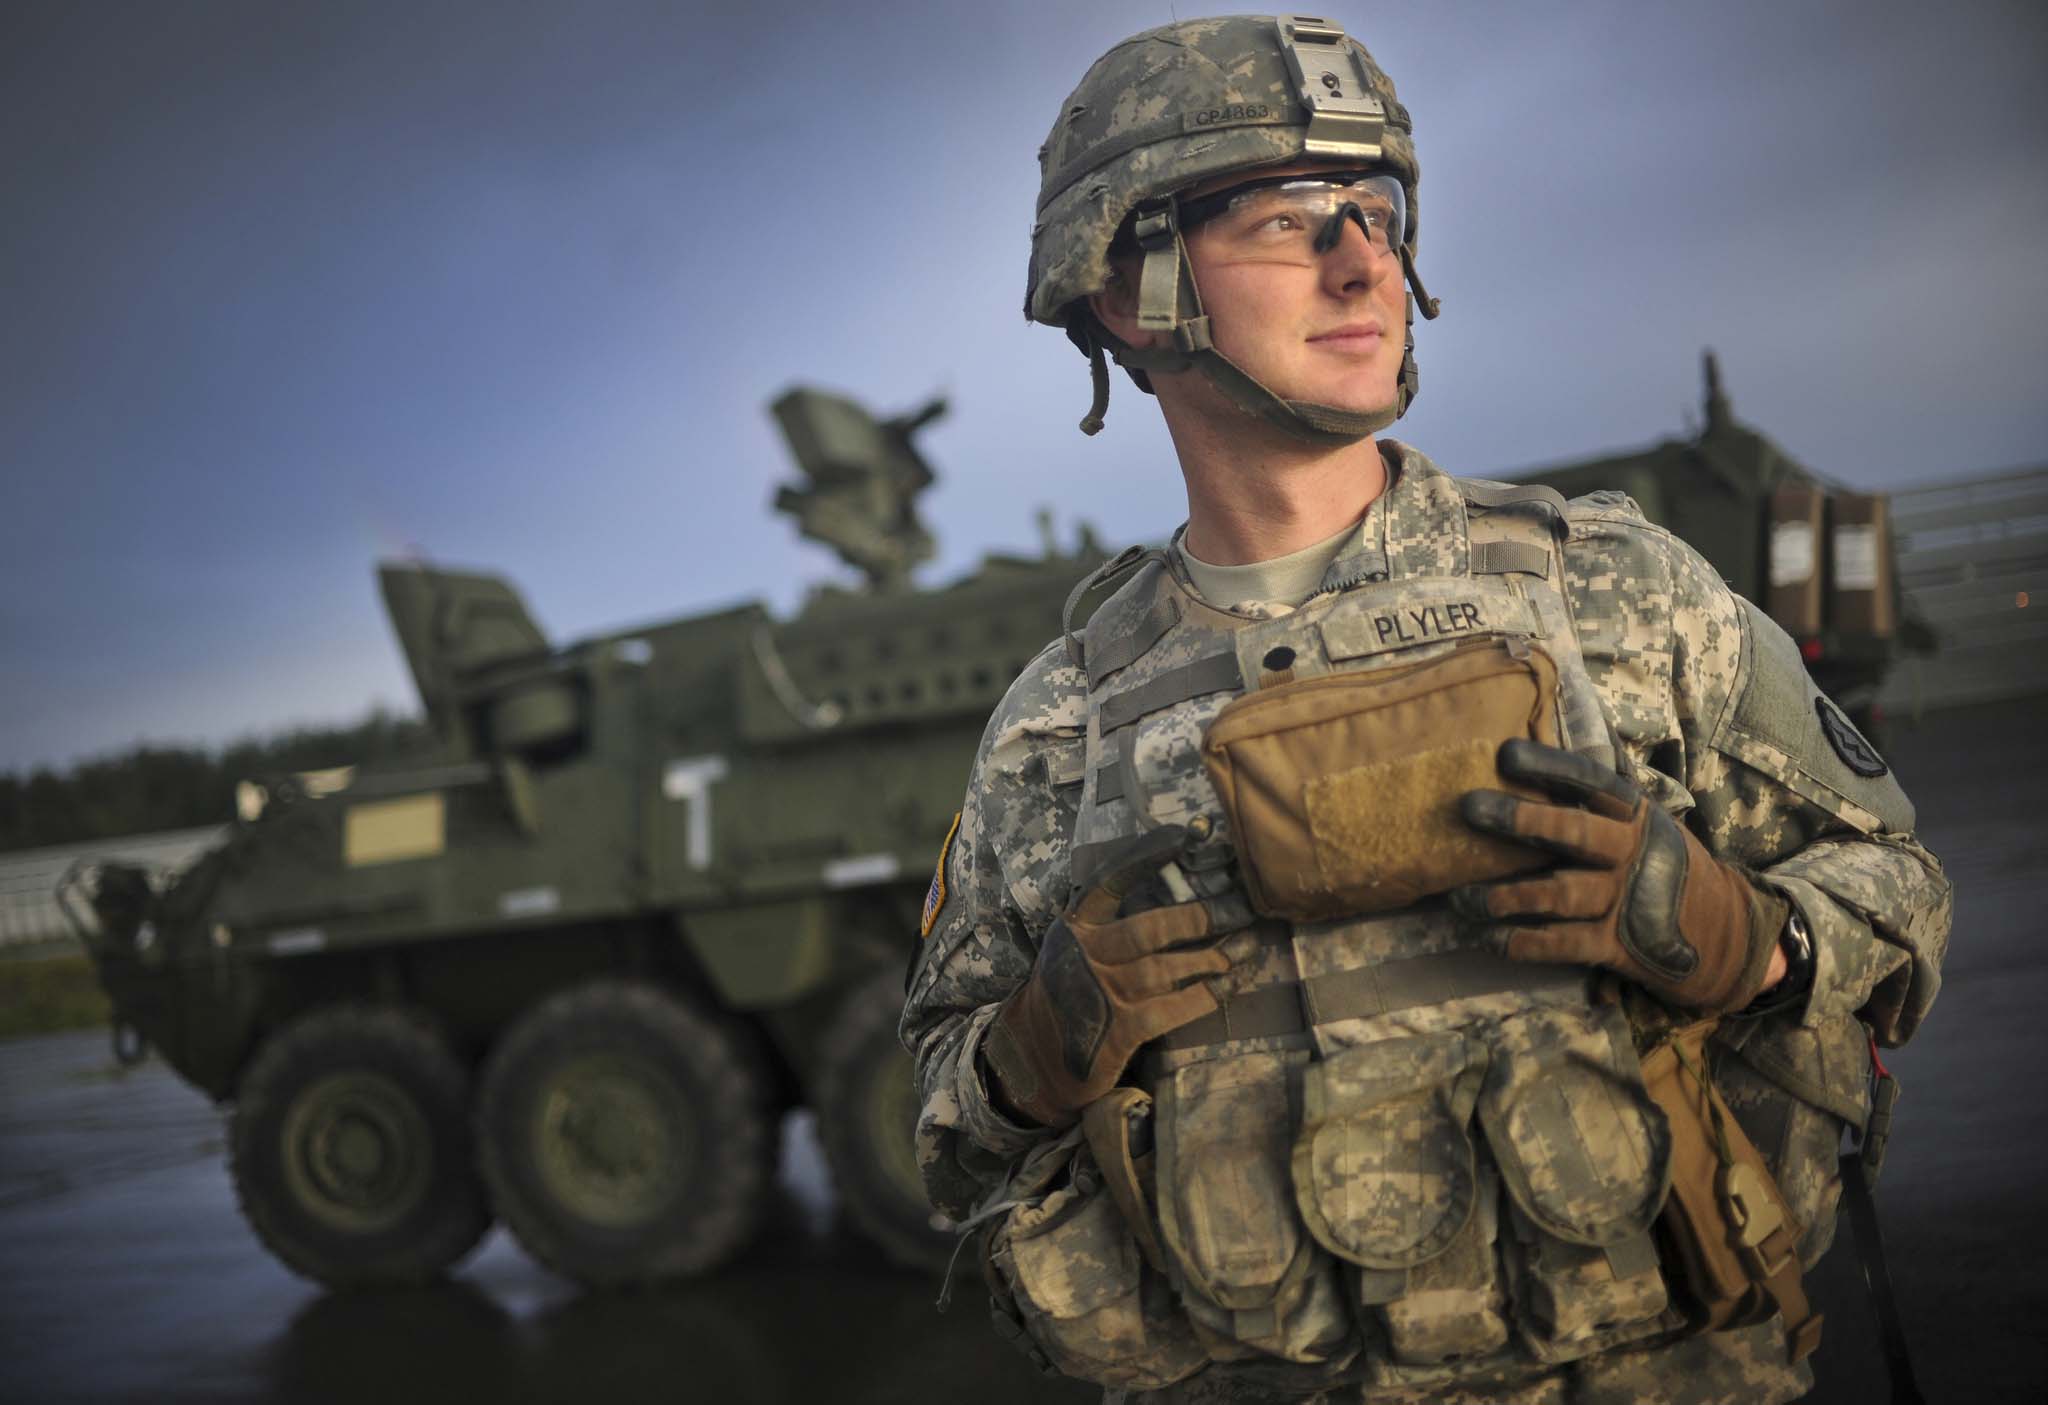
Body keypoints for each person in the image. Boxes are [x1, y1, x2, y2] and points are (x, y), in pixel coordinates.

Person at [900, 15, 1951, 1404]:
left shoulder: (1616, 597)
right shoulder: (1058, 732)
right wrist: (1030, 1055)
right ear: (1128, 288)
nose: (1363, 262)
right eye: (1283, 220)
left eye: (1376, 211)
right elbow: (943, 1129)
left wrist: (1752, 939)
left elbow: (1906, 893)